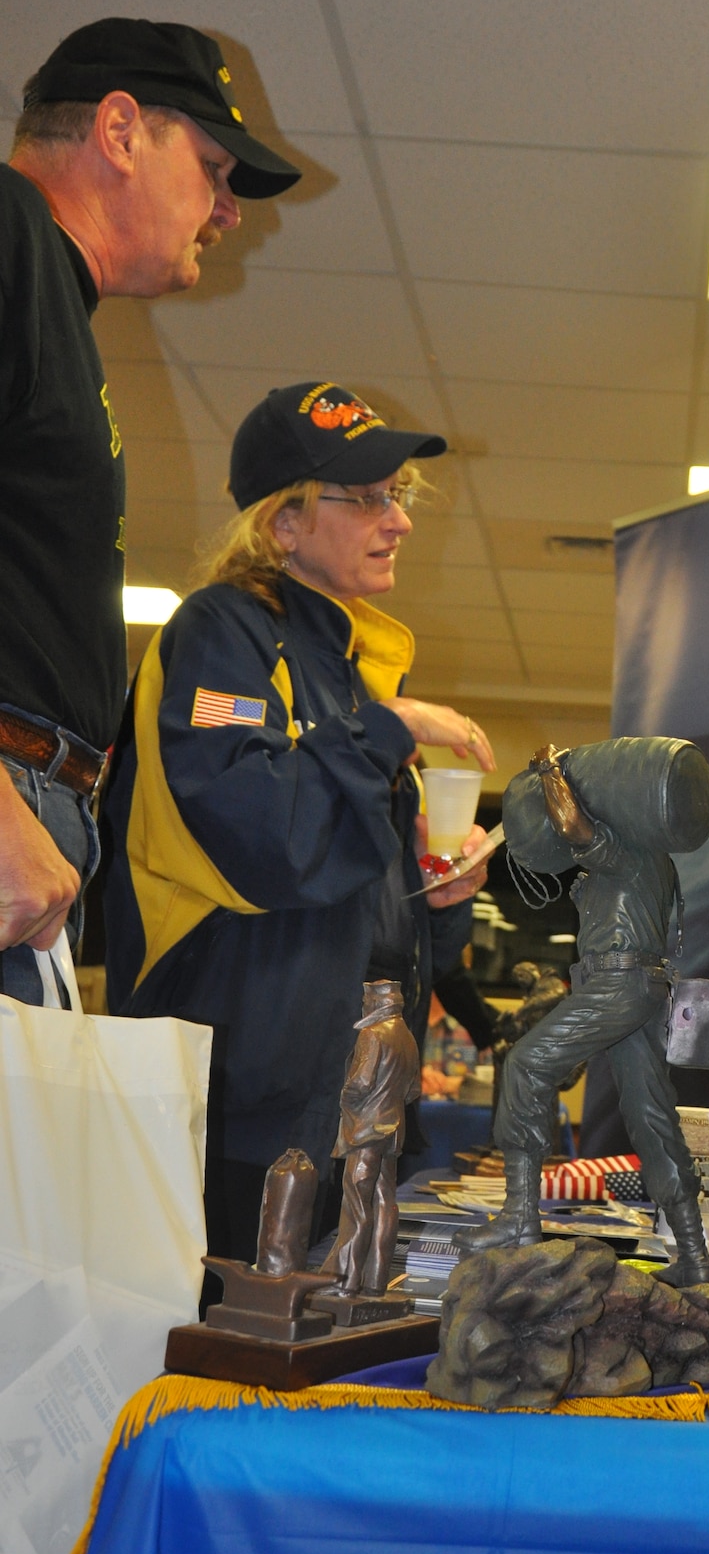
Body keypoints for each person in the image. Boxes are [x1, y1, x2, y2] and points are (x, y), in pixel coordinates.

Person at [101, 380, 495, 1271]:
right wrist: (391, 732)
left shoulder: (356, 674)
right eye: (364, 498)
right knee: (227, 1359)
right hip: (242, 1097)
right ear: (282, 524)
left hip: (350, 1100)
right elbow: (267, 841)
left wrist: (439, 892)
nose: (395, 521)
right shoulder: (221, 634)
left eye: (397, 496)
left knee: (323, 1364)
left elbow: (367, 902)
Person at [0, 17, 301, 1005]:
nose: (228, 210)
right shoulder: (9, 236)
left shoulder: (54, 298)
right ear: (121, 130)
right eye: (213, 166)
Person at [455, 744, 709, 1286]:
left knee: (525, 1065)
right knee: (652, 1120)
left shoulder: (627, 850)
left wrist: (549, 768)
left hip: (617, 983)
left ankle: (520, 1219)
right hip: (637, 986)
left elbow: (573, 825)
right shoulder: (657, 859)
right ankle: (694, 1255)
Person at [322, 979, 421, 1299]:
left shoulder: (372, 1034)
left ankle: (343, 1281)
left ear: (376, 1005)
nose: (364, 1007)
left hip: (366, 1130)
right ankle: (376, 1280)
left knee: (355, 1206)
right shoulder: (407, 1036)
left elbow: (359, 1084)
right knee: (385, 1204)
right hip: (393, 1133)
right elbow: (413, 1091)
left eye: (366, 1003)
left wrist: (347, 1104)